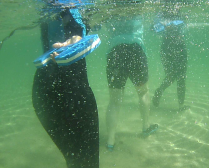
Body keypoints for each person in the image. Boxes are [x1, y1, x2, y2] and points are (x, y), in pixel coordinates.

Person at [32, 1, 99, 168]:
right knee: (82, 160)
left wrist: (77, 39)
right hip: (64, 88)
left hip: (48, 86)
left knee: (78, 160)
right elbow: (79, 24)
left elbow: (79, 28)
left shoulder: (69, 7)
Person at [105, 13, 158, 151]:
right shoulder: (138, 6)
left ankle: (110, 141)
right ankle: (146, 127)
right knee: (143, 92)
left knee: (114, 100)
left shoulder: (110, 7)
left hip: (115, 52)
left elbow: (97, 24)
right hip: (136, 49)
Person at [152, 5, 189, 112]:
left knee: (181, 77)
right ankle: (159, 91)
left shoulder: (181, 14)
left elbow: (185, 27)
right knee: (171, 76)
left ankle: (181, 106)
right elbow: (153, 28)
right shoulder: (161, 14)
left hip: (181, 48)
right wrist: (164, 27)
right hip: (167, 49)